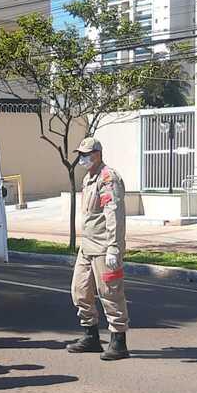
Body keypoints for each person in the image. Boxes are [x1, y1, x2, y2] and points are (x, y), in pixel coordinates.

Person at [66, 137, 130, 361]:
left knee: (110, 293)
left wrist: (114, 247)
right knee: (80, 290)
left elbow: (114, 214)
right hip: (87, 246)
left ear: (98, 154)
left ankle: (118, 342)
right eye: (81, 154)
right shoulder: (88, 178)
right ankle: (91, 336)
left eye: (86, 154)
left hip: (105, 246)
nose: (82, 158)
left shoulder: (107, 178)